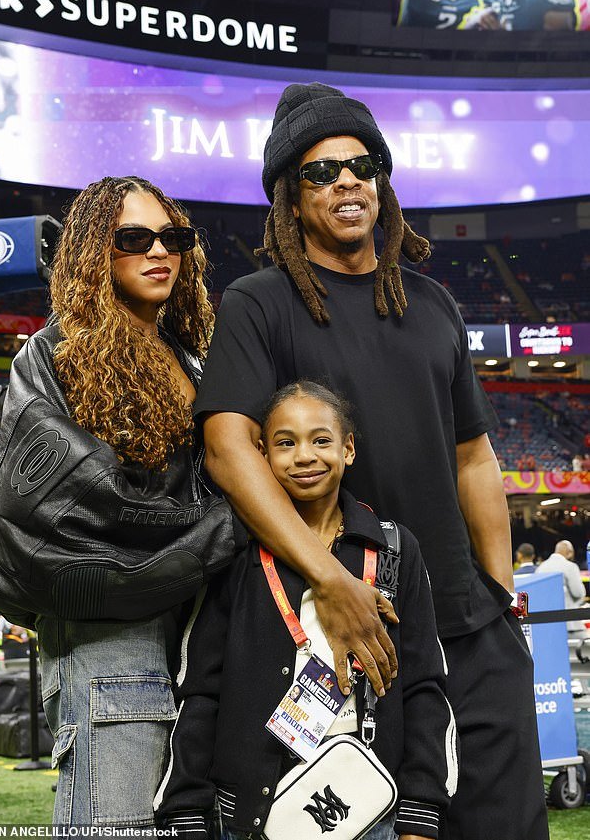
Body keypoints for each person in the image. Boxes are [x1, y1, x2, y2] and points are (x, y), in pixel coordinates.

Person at [194, 82, 548, 839]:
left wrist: (500, 597)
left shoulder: (434, 303)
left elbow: (475, 457)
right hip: (351, 632)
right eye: (321, 172)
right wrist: (331, 581)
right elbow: (228, 450)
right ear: (291, 199)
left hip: (469, 631)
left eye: (361, 164)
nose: (347, 181)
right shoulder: (259, 302)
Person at [0, 176, 239, 826]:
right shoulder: (58, 353)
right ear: (95, 250)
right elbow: (77, 508)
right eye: (134, 238)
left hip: (191, 639)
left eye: (172, 237)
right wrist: (232, 523)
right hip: (108, 644)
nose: (159, 252)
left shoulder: (190, 358)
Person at [154, 381, 456, 840]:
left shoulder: (393, 548)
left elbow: (425, 688)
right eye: (285, 443)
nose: (304, 456)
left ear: (348, 449)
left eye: (321, 440)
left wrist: (420, 813)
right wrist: (185, 808)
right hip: (250, 811)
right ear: (261, 453)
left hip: (370, 807)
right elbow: (200, 689)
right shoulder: (234, 552)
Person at [537, 539, 588, 633]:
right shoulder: (570, 566)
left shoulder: (540, 568)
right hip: (569, 623)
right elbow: (578, 593)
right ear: (569, 552)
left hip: (547, 623)